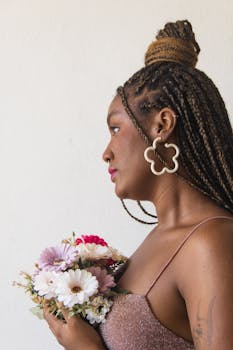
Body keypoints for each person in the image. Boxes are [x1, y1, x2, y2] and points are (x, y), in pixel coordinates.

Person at [44, 19, 233, 349]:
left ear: (162, 125)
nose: (106, 153)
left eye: (115, 129)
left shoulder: (211, 241)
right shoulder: (158, 239)